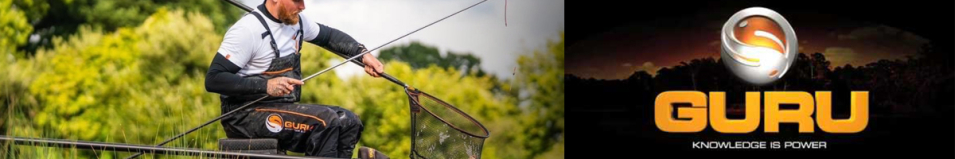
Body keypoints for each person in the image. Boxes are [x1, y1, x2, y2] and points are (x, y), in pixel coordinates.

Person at [204, 0, 384, 157]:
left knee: (349, 121)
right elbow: (213, 79)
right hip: (244, 115)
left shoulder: (298, 23)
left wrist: (362, 54)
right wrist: (266, 85)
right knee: (325, 122)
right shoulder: (247, 30)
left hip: (280, 108)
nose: (303, 6)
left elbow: (329, 36)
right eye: (297, 0)